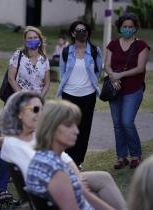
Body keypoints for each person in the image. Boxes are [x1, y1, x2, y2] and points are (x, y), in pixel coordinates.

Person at [0, 91, 126, 210]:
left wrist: (76, 179)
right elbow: (38, 170)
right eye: (35, 109)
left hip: (57, 176)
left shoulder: (37, 138)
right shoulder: (15, 144)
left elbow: (64, 158)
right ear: (19, 113)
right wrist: (74, 181)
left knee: (102, 178)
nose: (40, 115)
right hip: (50, 181)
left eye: (42, 110)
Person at [26, 100, 115, 210]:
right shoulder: (54, 170)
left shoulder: (45, 159)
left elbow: (85, 196)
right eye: (68, 125)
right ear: (51, 127)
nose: (76, 131)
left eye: (76, 125)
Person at [104, 13, 150, 169]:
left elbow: (140, 68)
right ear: (120, 27)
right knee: (117, 124)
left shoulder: (141, 45)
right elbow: (107, 65)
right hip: (115, 90)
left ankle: (136, 155)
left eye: (131, 27)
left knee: (127, 122)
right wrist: (112, 77)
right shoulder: (113, 44)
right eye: (125, 26)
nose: (128, 29)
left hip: (133, 89)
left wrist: (120, 75)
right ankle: (121, 157)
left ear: (135, 28)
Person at [57, 21, 102, 167]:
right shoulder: (66, 51)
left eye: (84, 30)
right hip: (69, 95)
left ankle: (78, 161)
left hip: (88, 95)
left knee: (84, 129)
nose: (81, 32)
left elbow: (98, 72)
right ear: (72, 33)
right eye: (78, 30)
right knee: (68, 127)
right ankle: (69, 159)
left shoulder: (95, 51)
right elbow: (62, 72)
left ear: (88, 32)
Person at [8, 26, 50, 98]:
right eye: (30, 38)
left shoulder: (44, 59)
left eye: (35, 37)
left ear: (40, 40)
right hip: (20, 98)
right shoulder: (18, 55)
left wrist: (40, 98)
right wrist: (22, 96)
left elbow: (47, 83)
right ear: (25, 41)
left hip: (38, 99)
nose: (33, 40)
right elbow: (10, 78)